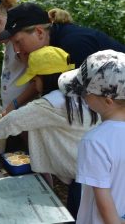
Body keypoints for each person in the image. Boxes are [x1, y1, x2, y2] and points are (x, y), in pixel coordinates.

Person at [0, 46, 98, 220]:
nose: (33, 85)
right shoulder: (82, 94)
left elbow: (13, 120)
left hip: (85, 179)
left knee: (81, 217)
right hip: (99, 169)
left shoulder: (49, 105)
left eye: (34, 80)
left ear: (46, 78)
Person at [58, 49, 125, 224]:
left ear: (108, 101)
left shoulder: (95, 141)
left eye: (84, 92)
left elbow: (104, 204)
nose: (83, 98)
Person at [0, 2, 125, 68]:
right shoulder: (55, 43)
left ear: (39, 32)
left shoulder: (73, 45)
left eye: (18, 42)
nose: (16, 50)